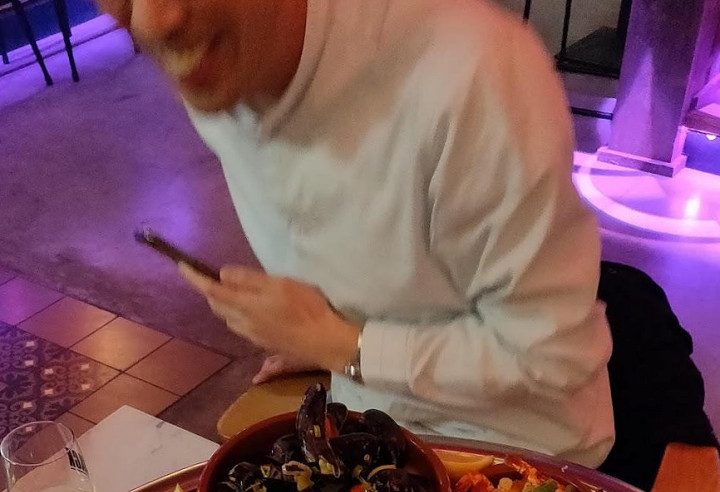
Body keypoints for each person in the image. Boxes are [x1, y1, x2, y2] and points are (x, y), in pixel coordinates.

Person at [107, 0, 614, 466]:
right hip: (368, 427)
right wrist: (334, 330)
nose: (152, 21)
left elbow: (549, 355)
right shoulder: (220, 76)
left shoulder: (471, 70)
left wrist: (341, 343)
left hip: (518, 454)